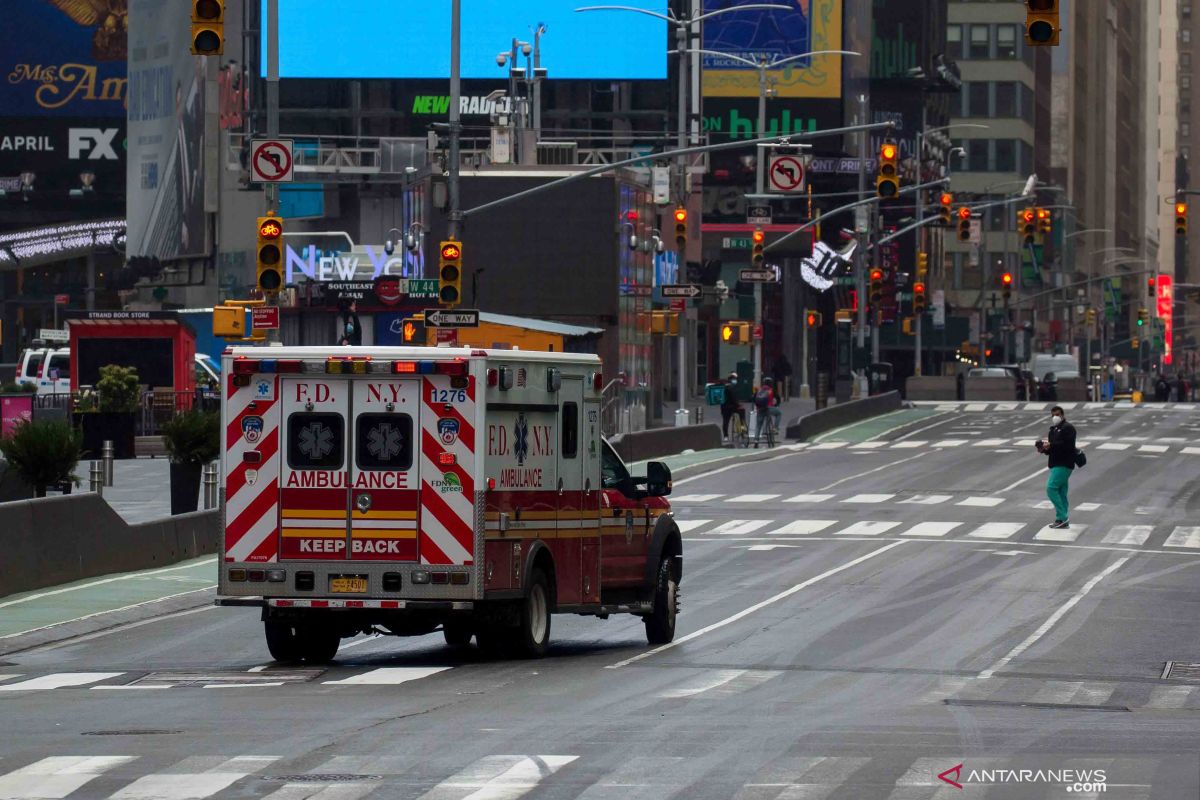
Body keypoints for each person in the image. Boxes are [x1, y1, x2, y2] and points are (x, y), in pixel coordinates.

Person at [1036, 405, 1077, 529]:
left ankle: (1063, 517)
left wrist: (1051, 445)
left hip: (1064, 463)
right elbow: (1052, 449)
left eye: (1058, 414)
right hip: (1055, 463)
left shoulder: (1068, 428)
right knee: (1061, 492)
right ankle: (1062, 520)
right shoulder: (1052, 430)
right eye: (1053, 415)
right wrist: (1044, 449)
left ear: (1063, 415)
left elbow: (1068, 446)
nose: (1055, 417)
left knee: (1051, 488)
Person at [754, 376, 783, 445]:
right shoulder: (771, 390)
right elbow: (778, 398)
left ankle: (756, 440)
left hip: (760, 409)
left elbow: (753, 398)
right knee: (779, 413)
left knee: (758, 425)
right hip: (768, 408)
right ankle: (775, 428)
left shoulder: (759, 390)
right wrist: (776, 405)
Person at [720, 372, 746, 441]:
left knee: (725, 421)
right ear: (732, 380)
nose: (735, 381)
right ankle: (743, 429)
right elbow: (734, 399)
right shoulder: (731, 388)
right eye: (735, 379)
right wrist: (739, 404)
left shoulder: (724, 387)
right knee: (742, 412)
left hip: (724, 407)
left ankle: (726, 436)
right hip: (732, 407)